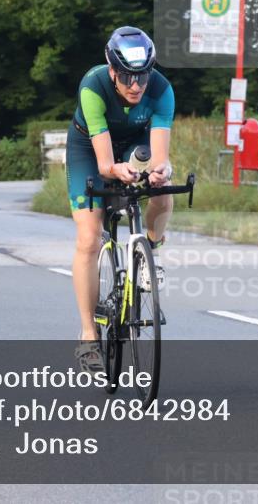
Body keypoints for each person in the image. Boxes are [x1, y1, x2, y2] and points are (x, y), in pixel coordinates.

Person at [65, 26, 175, 372]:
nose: (136, 85)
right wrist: (116, 170)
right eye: (127, 76)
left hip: (134, 143)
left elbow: (159, 157)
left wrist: (160, 172)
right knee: (89, 238)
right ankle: (87, 336)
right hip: (90, 148)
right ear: (112, 70)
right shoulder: (93, 86)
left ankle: (149, 258)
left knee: (162, 190)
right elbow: (104, 165)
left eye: (142, 76)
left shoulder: (161, 90)